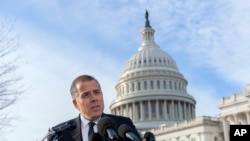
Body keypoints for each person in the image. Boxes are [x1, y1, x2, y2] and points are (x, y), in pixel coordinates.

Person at [47, 74, 141, 141]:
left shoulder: (123, 126)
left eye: (96, 92)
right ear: (76, 104)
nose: (94, 99)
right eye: (86, 95)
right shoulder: (59, 134)